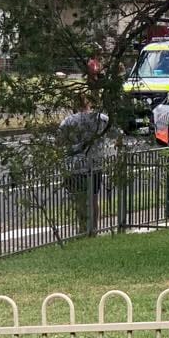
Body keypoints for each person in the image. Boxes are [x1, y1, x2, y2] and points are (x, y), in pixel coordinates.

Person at [59, 94, 111, 234]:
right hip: (95, 164)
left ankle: (82, 228)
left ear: (74, 105)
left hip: (76, 166)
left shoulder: (68, 122)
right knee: (93, 198)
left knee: (80, 199)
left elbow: (60, 142)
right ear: (90, 104)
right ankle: (93, 228)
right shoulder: (102, 119)